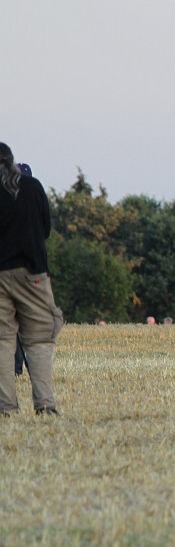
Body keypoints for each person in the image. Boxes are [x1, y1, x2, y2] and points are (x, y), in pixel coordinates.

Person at [0, 143, 63, 415]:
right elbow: (45, 229)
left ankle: (6, 408)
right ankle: (45, 406)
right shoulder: (33, 187)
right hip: (32, 272)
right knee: (38, 340)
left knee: (2, 342)